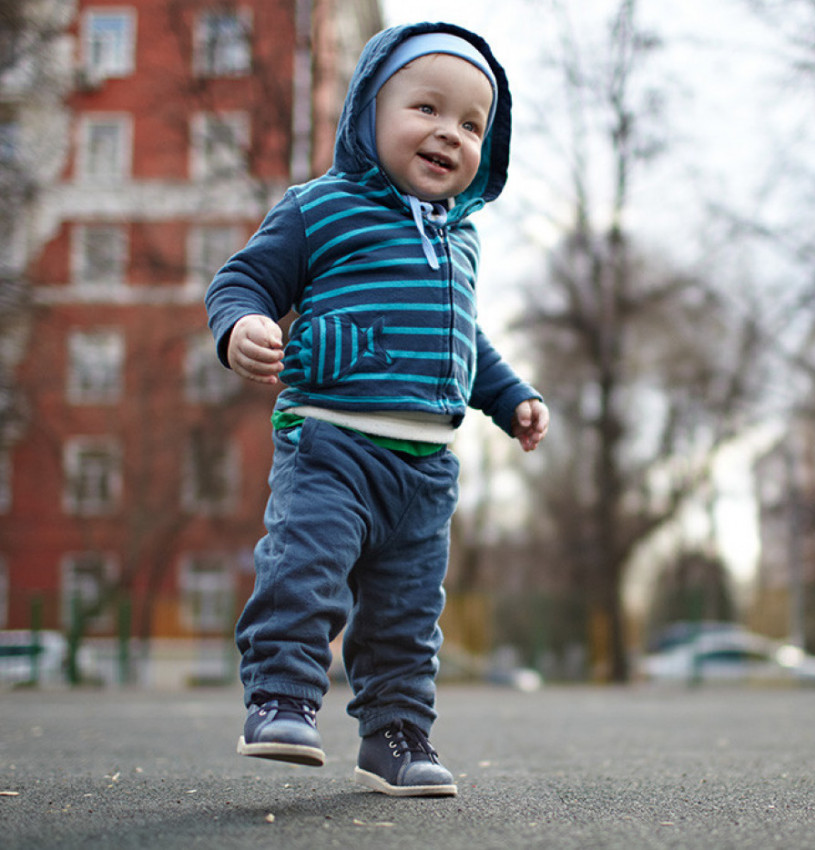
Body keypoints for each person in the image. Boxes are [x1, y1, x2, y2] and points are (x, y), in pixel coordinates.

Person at [204, 21, 547, 798]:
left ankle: (396, 737)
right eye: (425, 108)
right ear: (367, 113)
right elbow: (242, 280)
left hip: (425, 469)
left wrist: (511, 397)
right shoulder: (318, 208)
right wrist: (243, 326)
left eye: (470, 124)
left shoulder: (462, 240)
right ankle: (281, 699)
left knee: (407, 615)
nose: (448, 134)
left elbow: (465, 341)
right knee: (305, 570)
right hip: (331, 442)